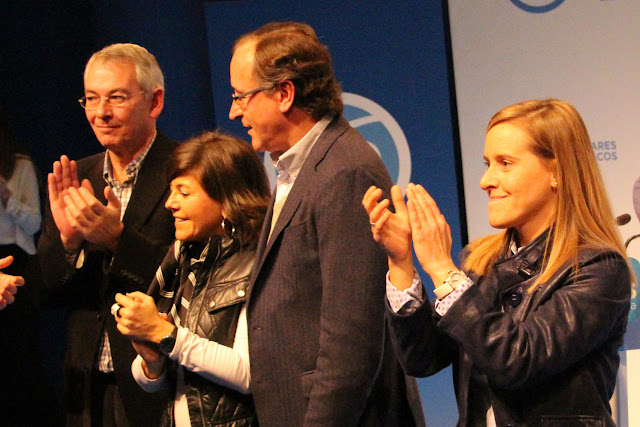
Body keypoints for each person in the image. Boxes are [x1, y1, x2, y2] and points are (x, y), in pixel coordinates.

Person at [363, 99, 631, 426]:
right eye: (487, 163)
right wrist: (402, 262)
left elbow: (517, 359)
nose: (486, 180)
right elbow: (423, 359)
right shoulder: (482, 261)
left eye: (505, 163)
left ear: (556, 173)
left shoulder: (599, 268)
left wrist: (443, 270)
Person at [229, 21, 424, 426]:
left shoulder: (346, 171)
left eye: (241, 96)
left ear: (284, 94)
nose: (234, 111)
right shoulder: (300, 168)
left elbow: (350, 342)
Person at [37, 43, 178, 426]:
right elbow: (46, 292)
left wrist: (117, 240)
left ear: (155, 102)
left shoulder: (186, 171)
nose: (101, 112)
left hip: (159, 381)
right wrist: (67, 243)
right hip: (85, 391)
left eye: (116, 98)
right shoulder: (77, 177)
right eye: (91, 99)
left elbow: (193, 279)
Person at [114, 131, 270, 426]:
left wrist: (165, 335)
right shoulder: (183, 259)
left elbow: (250, 374)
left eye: (184, 193)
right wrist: (152, 360)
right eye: (171, 191)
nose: (170, 203)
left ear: (227, 198)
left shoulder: (257, 263)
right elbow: (155, 382)